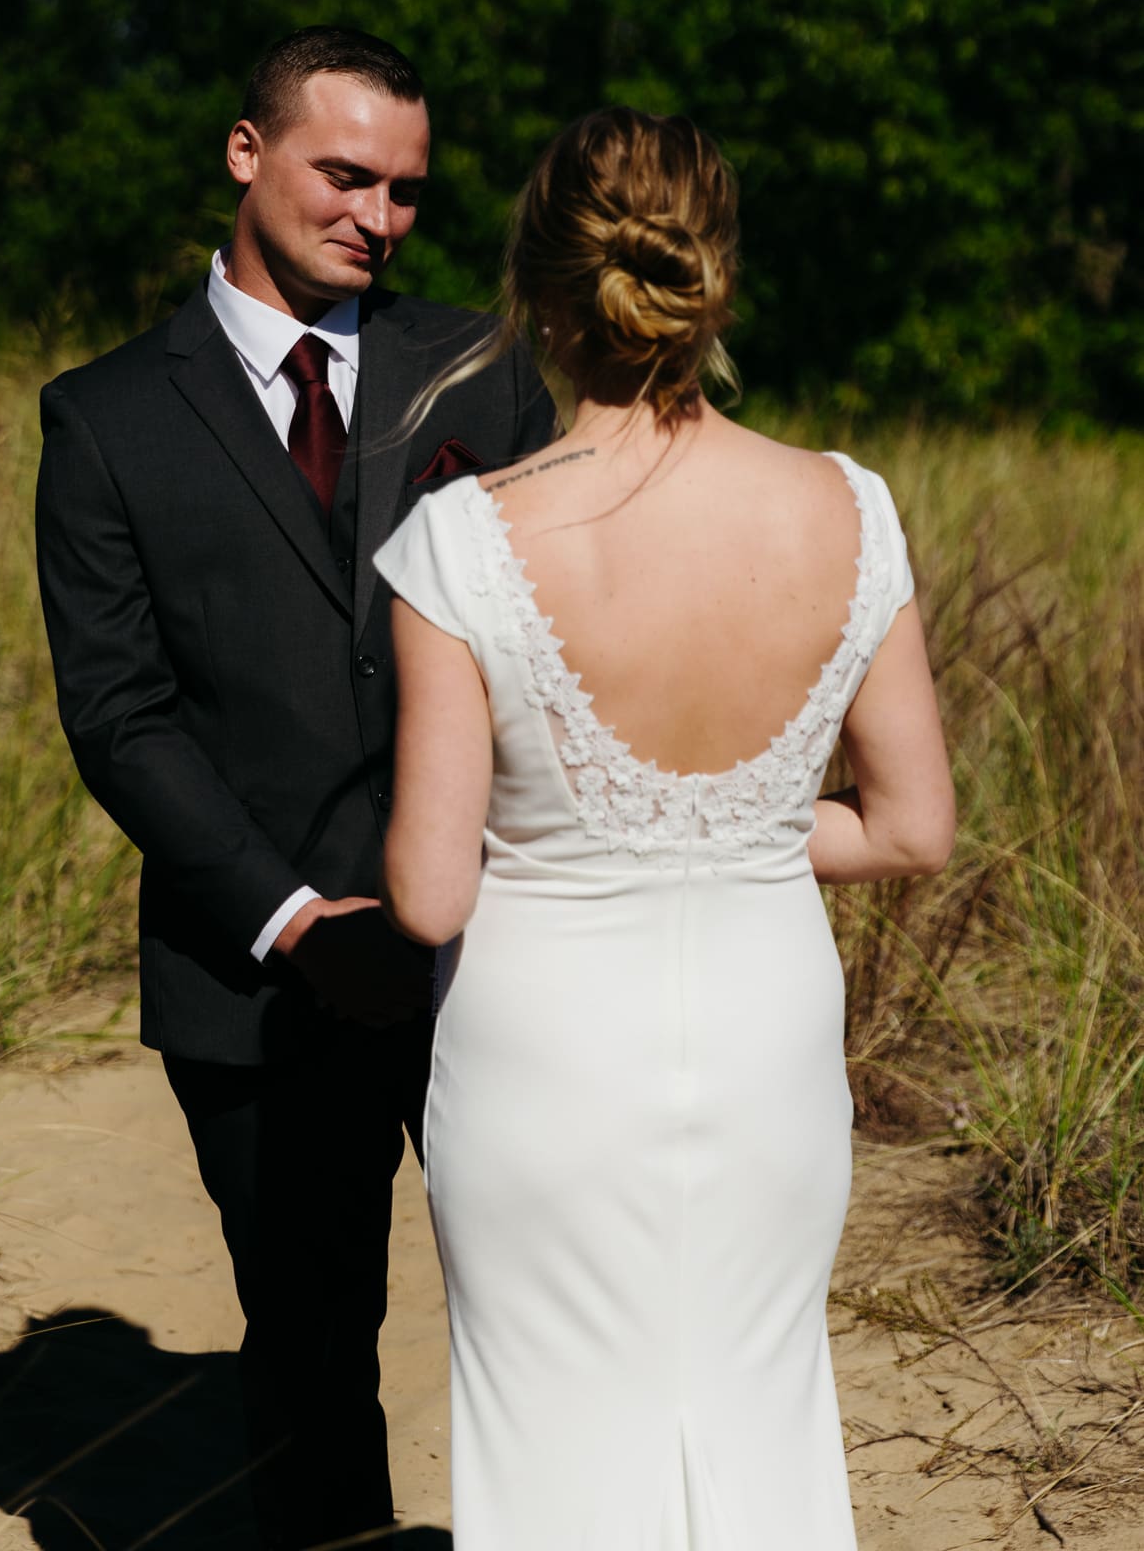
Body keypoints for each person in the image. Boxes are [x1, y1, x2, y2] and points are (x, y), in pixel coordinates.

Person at [372, 106, 956, 1550]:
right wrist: (733, 831)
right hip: (764, 1044)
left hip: (545, 1055)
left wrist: (581, 837)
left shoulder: (464, 538)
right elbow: (909, 830)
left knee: (554, 1434)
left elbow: (433, 896)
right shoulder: (850, 510)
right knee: (757, 1402)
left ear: (534, 290)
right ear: (712, 279)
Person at [34, 26, 554, 1551]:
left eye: (404, 191)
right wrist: (286, 915)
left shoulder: (484, 372)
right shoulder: (106, 416)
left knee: (533, 1310)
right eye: (345, 174)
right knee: (312, 1336)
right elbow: (118, 714)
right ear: (246, 152)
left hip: (493, 952)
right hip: (253, 971)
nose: (377, 218)